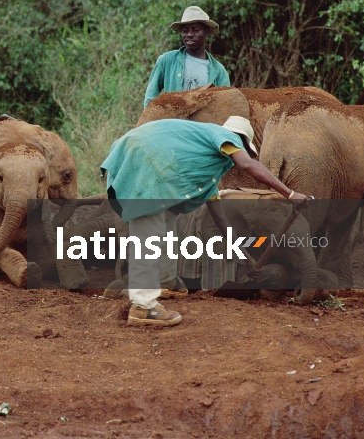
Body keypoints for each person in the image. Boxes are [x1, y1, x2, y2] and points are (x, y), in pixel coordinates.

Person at [100, 116, 306, 327]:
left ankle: (164, 284)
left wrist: (246, 260)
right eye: (243, 149)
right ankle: (142, 307)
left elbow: (222, 221)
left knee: (167, 220)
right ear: (241, 142)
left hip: (147, 155)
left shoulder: (208, 172)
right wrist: (289, 194)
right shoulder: (224, 136)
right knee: (149, 233)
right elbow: (246, 164)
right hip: (147, 160)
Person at [143, 6, 230, 108]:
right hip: (173, 121)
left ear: (206, 32)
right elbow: (150, 97)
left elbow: (225, 106)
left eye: (195, 30)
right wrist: (148, 121)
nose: (189, 34)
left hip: (202, 124)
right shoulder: (167, 61)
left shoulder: (218, 71)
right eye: (185, 30)